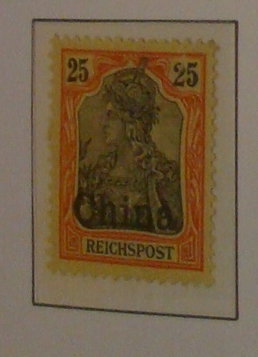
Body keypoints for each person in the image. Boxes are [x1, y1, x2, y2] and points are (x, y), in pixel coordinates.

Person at [73, 66, 184, 235]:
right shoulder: (98, 174)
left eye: (112, 116)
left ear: (130, 123)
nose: (104, 123)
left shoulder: (162, 176)